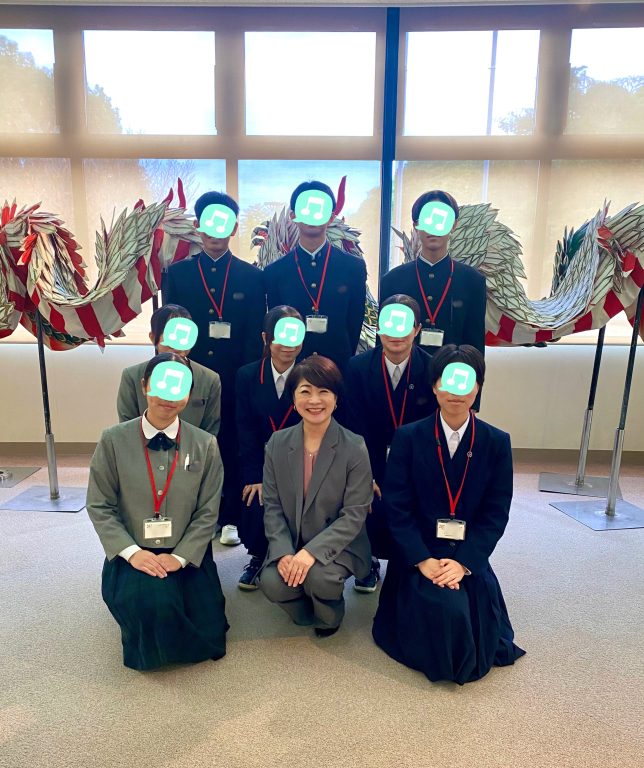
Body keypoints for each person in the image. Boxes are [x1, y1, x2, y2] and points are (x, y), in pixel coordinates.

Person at [372, 344, 525, 684]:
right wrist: (422, 559)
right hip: (419, 552)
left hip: (467, 553)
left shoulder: (497, 442)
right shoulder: (408, 438)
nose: (456, 392)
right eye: (448, 381)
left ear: (478, 388)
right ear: (434, 386)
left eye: (465, 382)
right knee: (448, 612)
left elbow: (495, 513)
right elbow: (397, 507)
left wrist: (463, 564)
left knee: (472, 618)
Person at [86, 352, 228, 671]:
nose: (168, 396)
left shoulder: (205, 444)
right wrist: (132, 553)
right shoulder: (113, 440)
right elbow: (99, 504)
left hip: (186, 550)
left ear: (189, 394)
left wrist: (180, 557)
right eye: (161, 385)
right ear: (144, 386)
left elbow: (208, 511)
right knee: (155, 605)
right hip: (134, 550)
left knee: (210, 630)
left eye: (179, 388)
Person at [162, 191, 266, 546]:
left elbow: (254, 334)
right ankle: (191, 513)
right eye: (209, 222)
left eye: (224, 223)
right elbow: (171, 330)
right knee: (190, 444)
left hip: (235, 377)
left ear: (234, 228)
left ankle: (231, 516)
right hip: (192, 376)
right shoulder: (177, 274)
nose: (216, 230)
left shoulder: (252, 277)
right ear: (198, 225)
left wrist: (248, 378)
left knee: (233, 443)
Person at [258, 355, 372, 637]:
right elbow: (272, 507)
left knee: (320, 579)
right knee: (272, 582)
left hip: (339, 544)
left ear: (336, 399)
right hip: (292, 538)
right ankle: (305, 608)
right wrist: (284, 552)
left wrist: (310, 554)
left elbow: (354, 514)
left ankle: (329, 616)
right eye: (305, 391)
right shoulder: (277, 443)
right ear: (294, 398)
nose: (314, 400)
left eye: (323, 392)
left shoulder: (354, 447)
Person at [344, 294, 437, 592]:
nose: (396, 334)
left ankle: (408, 560)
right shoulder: (357, 367)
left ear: (417, 329)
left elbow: (432, 427)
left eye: (404, 326)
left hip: (414, 457)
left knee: (412, 502)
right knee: (365, 499)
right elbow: (353, 425)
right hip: (369, 453)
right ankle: (367, 560)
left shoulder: (432, 369)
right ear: (379, 328)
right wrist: (365, 472)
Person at [263, 180, 367, 372]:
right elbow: (276, 325)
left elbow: (354, 323)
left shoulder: (353, 267)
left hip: (338, 367)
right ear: (293, 215)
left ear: (331, 216)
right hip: (292, 368)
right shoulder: (275, 271)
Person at [235, 306, 304, 590]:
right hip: (262, 462)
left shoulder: (311, 375)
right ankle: (258, 556)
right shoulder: (248, 375)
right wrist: (255, 475)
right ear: (266, 338)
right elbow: (245, 430)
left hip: (302, 459)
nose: (288, 345)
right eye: (280, 337)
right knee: (254, 498)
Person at [379, 190, 486, 356]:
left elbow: (475, 346)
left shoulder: (472, 280)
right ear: (416, 226)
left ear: (453, 225)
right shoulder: (393, 280)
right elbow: (384, 344)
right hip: (407, 370)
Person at [117, 303, 221, 436]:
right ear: (153, 337)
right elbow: (127, 427)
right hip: (143, 446)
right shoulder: (132, 376)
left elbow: (210, 429)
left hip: (193, 448)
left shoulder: (210, 379)